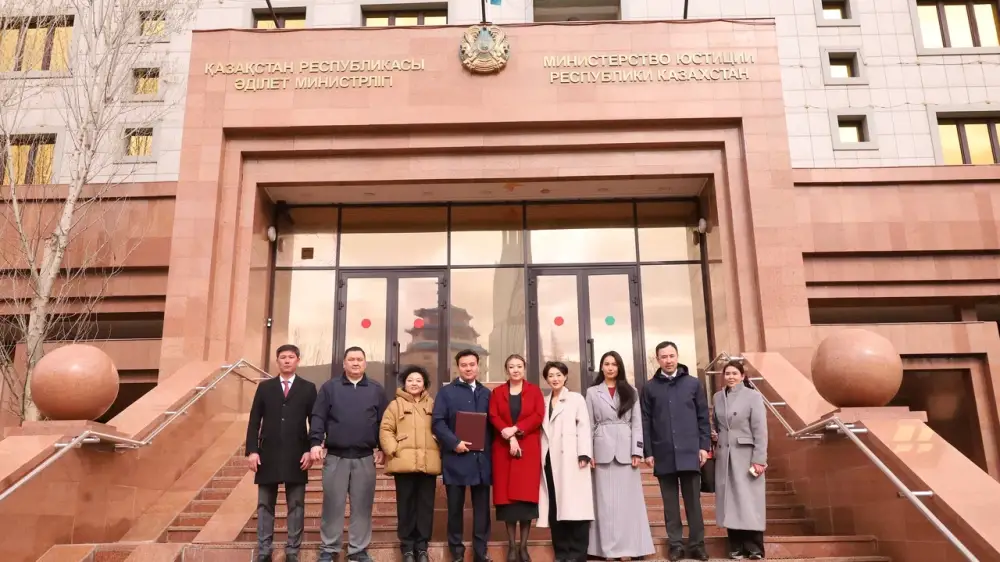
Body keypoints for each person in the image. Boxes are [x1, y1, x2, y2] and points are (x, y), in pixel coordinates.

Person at [310, 346, 388, 562]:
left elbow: (384, 422)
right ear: (344, 363)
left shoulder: (376, 389)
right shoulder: (330, 388)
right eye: (351, 359)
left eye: (359, 359)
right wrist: (315, 442)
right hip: (336, 456)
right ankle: (329, 549)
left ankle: (358, 550)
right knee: (333, 505)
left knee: (362, 506)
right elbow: (318, 416)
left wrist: (383, 448)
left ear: (365, 363)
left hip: (365, 457)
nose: (355, 363)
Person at [245, 344, 318, 562]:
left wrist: (310, 449)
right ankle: (264, 549)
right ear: (277, 361)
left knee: (296, 505)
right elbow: (254, 421)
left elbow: (314, 422)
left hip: (297, 455)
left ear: (298, 360)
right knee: (265, 504)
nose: (287, 360)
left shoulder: (308, 388)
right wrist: (252, 451)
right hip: (267, 454)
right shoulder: (265, 388)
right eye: (283, 357)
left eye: (291, 357)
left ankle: (292, 550)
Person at [640, 341, 711, 562]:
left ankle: (697, 545)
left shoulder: (693, 384)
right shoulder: (649, 388)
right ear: (657, 360)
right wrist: (648, 451)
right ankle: (676, 545)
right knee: (670, 506)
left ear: (677, 356)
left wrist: (704, 446)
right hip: (664, 452)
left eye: (671, 356)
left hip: (690, 452)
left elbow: (703, 417)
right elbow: (645, 421)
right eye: (664, 357)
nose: (668, 360)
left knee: (693, 504)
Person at [585, 351, 655, 561]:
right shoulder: (592, 392)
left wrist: (637, 450)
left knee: (628, 503)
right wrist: (589, 453)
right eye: (606, 364)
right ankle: (606, 550)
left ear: (619, 367)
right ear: (601, 367)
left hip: (626, 451)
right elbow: (588, 424)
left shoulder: (631, 391)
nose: (610, 368)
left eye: (614, 364)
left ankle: (631, 548)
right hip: (601, 451)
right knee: (605, 505)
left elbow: (637, 423)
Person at [432, 349, 493, 562]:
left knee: (482, 511)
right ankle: (456, 553)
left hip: (481, 461)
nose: (468, 368)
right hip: (456, 459)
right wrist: (454, 442)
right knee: (455, 510)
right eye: (464, 365)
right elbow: (437, 422)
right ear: (458, 367)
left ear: (478, 366)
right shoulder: (446, 392)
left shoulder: (486, 393)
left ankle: (480, 552)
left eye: (472, 364)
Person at [379, 365, 441, 562]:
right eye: (410, 380)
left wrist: (439, 441)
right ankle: (407, 548)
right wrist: (393, 449)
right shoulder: (394, 405)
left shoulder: (433, 404)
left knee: (425, 507)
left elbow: (442, 426)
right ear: (404, 383)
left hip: (428, 463)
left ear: (425, 384)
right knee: (405, 506)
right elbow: (386, 429)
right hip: (403, 464)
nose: (414, 384)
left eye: (418, 380)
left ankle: (422, 548)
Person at [488, 354, 545, 562]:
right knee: (508, 502)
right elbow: (493, 415)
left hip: (527, 449)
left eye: (519, 366)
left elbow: (538, 415)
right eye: (511, 367)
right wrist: (509, 435)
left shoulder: (534, 391)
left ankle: (524, 546)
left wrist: (516, 429)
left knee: (525, 500)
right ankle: (512, 546)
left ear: (524, 368)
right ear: (506, 370)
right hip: (504, 451)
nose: (515, 370)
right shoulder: (497, 392)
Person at [538, 361, 594, 562]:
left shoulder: (576, 399)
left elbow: (584, 426)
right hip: (550, 461)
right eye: (551, 375)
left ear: (565, 376)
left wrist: (584, 453)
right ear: (546, 379)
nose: (555, 379)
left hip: (572, 460)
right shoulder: (543, 401)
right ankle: (561, 553)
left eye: (559, 375)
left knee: (576, 508)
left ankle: (577, 554)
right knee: (555, 508)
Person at [713, 360, 768, 560]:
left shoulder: (753, 396)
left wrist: (759, 459)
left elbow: (760, 430)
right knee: (730, 501)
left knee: (749, 501)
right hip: (724, 456)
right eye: (727, 373)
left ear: (743, 376)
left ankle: (754, 547)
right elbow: (718, 424)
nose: (731, 377)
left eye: (735, 373)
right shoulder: (718, 397)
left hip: (746, 456)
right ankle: (735, 546)